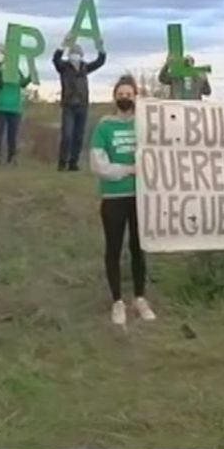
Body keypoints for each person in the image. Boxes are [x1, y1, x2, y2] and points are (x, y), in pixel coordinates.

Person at [90, 75, 156, 325]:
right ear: (115, 96)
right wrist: (128, 170)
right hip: (113, 197)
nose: (125, 97)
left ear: (135, 96)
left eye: (129, 93)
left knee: (139, 248)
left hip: (141, 197)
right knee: (114, 248)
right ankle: (117, 301)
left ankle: (140, 298)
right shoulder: (104, 127)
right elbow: (98, 164)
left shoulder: (144, 125)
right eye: (121, 93)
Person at [52, 35, 107, 171]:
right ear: (69, 55)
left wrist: (100, 47)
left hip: (82, 105)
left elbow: (100, 61)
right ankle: (62, 163)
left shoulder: (85, 68)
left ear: (81, 56)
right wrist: (63, 45)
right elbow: (55, 59)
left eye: (77, 54)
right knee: (67, 135)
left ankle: (73, 163)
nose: (75, 56)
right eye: (73, 54)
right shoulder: (63, 67)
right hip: (69, 105)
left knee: (79, 136)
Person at [0, 44, 34, 166]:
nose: (0, 55)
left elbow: (22, 84)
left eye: (2, 52)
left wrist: (31, 76)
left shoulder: (16, 70)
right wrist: (1, 73)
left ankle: (12, 157)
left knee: (13, 134)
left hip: (15, 106)